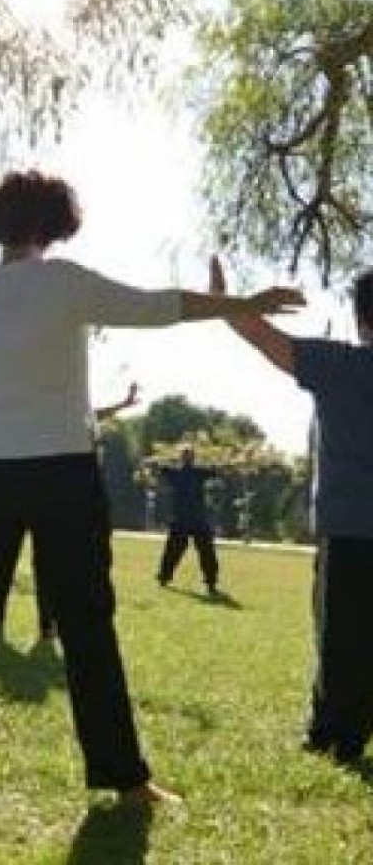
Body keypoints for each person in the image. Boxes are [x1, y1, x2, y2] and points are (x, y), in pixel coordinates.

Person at [0, 168, 302, 804]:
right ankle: (125, 777)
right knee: (86, 623)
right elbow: (159, 305)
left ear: (2, 224)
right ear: (54, 223)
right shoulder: (66, 282)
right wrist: (243, 304)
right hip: (62, 473)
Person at [210, 254, 373, 764]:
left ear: (360, 317)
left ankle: (335, 735)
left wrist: (224, 300)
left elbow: (257, 335)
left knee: (342, 636)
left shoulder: (337, 364)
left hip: (349, 526)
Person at [33, 381, 141, 642]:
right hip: (51, 491)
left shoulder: (83, 415)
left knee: (93, 555)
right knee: (47, 559)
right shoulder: (47, 418)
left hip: (87, 492)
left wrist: (125, 403)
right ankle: (49, 622)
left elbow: (99, 413)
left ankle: (90, 617)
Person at [155, 445, 220, 595]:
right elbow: (215, 471)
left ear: (181, 458)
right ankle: (211, 581)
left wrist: (165, 461)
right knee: (206, 551)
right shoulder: (199, 473)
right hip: (197, 518)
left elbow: (159, 468)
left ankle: (164, 576)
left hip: (181, 518)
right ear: (193, 458)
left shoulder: (174, 473)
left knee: (173, 550)